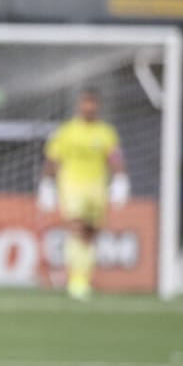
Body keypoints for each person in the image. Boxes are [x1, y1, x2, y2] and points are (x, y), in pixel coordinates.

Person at [37, 88, 129, 300]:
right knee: (76, 228)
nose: (89, 107)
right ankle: (76, 280)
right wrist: (47, 184)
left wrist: (121, 180)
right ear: (79, 106)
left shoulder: (106, 132)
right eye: (85, 103)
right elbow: (53, 160)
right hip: (72, 187)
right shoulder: (66, 132)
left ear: (97, 106)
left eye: (92, 103)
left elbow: (115, 158)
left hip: (97, 189)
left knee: (90, 234)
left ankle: (83, 279)